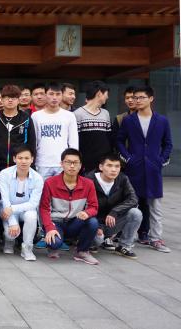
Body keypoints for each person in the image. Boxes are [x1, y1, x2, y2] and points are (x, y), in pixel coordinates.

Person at [116, 86, 173, 253]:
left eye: (141, 97)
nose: (137, 100)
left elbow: (168, 143)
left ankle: (156, 238)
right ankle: (127, 237)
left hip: (154, 169)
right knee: (131, 202)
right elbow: (119, 141)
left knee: (155, 206)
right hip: (135, 168)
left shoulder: (162, 120)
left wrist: (161, 160)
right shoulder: (129, 120)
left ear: (151, 99)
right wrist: (128, 158)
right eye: (136, 97)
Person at [40, 148, 100, 265]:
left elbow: (94, 206)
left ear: (80, 165)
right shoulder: (50, 183)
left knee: (93, 222)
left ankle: (82, 251)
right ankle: (52, 247)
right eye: (68, 162)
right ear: (61, 164)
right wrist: (49, 227)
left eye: (75, 163)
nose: (72, 166)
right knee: (55, 243)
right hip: (56, 222)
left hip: (75, 222)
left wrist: (86, 212)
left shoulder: (88, 184)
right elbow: (44, 208)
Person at [86, 154, 142, 259]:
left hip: (111, 221)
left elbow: (133, 199)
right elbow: (83, 206)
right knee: (97, 239)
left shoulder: (123, 179)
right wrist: (97, 226)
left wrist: (115, 211)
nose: (114, 170)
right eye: (109, 165)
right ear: (101, 167)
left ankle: (124, 246)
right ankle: (88, 243)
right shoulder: (89, 180)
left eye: (117, 166)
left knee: (135, 213)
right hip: (93, 222)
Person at [0, 145, 43, 261]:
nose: (23, 161)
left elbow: (33, 204)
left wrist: (13, 209)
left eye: (27, 158)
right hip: (6, 208)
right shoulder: (5, 174)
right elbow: (4, 199)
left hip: (24, 210)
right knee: (10, 234)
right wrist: (12, 221)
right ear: (14, 159)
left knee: (32, 216)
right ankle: (9, 241)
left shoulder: (38, 178)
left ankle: (27, 248)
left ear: (32, 159)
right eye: (20, 158)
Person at [31, 82, 79, 179]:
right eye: (51, 94)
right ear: (45, 95)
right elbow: (33, 142)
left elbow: (73, 141)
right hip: (42, 163)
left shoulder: (69, 116)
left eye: (58, 94)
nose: (54, 98)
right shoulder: (36, 116)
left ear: (62, 96)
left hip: (63, 163)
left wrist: (72, 161)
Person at [0, 84, 36, 169]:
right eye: (7, 98)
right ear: (2, 100)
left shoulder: (26, 118)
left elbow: (32, 143)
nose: (10, 100)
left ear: (18, 100)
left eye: (13, 98)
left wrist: (31, 166)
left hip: (19, 164)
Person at [74, 80, 112, 173]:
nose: (107, 97)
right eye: (106, 94)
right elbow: (76, 140)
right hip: (86, 163)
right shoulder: (77, 114)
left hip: (103, 163)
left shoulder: (105, 113)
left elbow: (109, 138)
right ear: (99, 93)